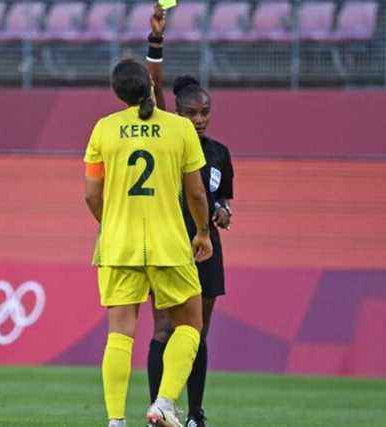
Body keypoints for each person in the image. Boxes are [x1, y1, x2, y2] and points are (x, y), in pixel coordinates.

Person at [84, 58, 213, 427]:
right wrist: (202, 232)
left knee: (120, 333)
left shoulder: (103, 130)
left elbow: (92, 195)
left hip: (118, 245)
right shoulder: (180, 129)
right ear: (152, 88)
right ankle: (164, 403)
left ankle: (115, 419)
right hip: (170, 244)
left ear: (117, 93)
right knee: (190, 325)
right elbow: (197, 194)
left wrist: (113, 225)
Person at [144, 8, 235, 427]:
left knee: (198, 333)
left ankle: (195, 413)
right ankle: (157, 408)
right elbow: (152, 85)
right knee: (164, 328)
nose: (198, 120)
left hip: (206, 248)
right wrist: (156, 41)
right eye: (191, 113)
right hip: (169, 242)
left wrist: (222, 212)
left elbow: (222, 198)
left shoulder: (219, 153)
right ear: (176, 113)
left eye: (204, 113)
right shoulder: (168, 137)